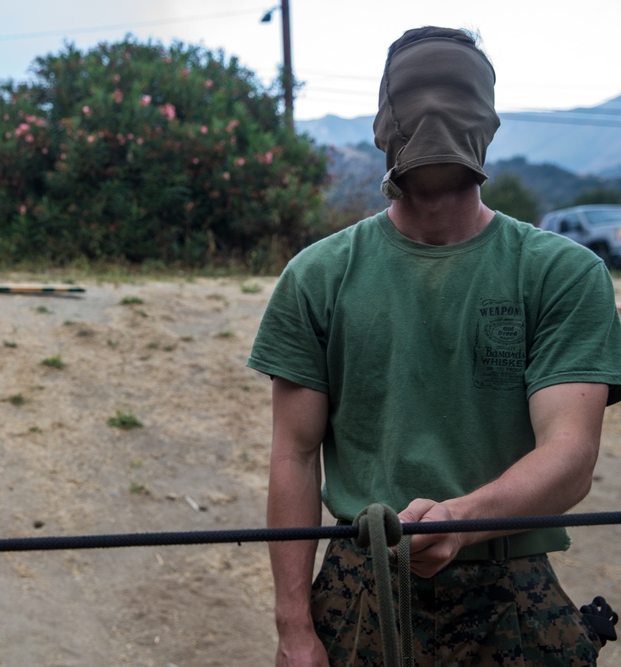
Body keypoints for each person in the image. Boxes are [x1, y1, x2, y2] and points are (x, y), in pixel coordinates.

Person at [247, 27, 621, 666]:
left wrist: (462, 518)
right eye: (415, 94)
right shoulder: (319, 275)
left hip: (514, 590)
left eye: (456, 93)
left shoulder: (561, 273)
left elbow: (571, 454)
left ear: (489, 119)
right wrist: (293, 627)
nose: (434, 113)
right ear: (383, 118)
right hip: (360, 586)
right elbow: (295, 452)